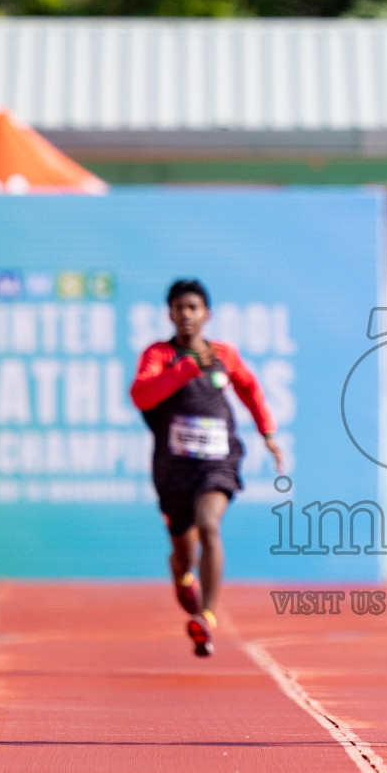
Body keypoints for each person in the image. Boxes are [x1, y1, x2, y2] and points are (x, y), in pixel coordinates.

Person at [131, 279, 284, 657]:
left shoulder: (224, 355)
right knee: (186, 550)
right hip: (173, 468)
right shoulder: (159, 355)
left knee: (210, 525)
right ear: (169, 314)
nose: (186, 315)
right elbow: (141, 395)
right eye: (179, 308)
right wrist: (182, 371)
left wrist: (267, 431)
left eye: (193, 308)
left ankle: (208, 617)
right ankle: (182, 572)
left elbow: (249, 387)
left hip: (218, 461)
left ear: (206, 315)